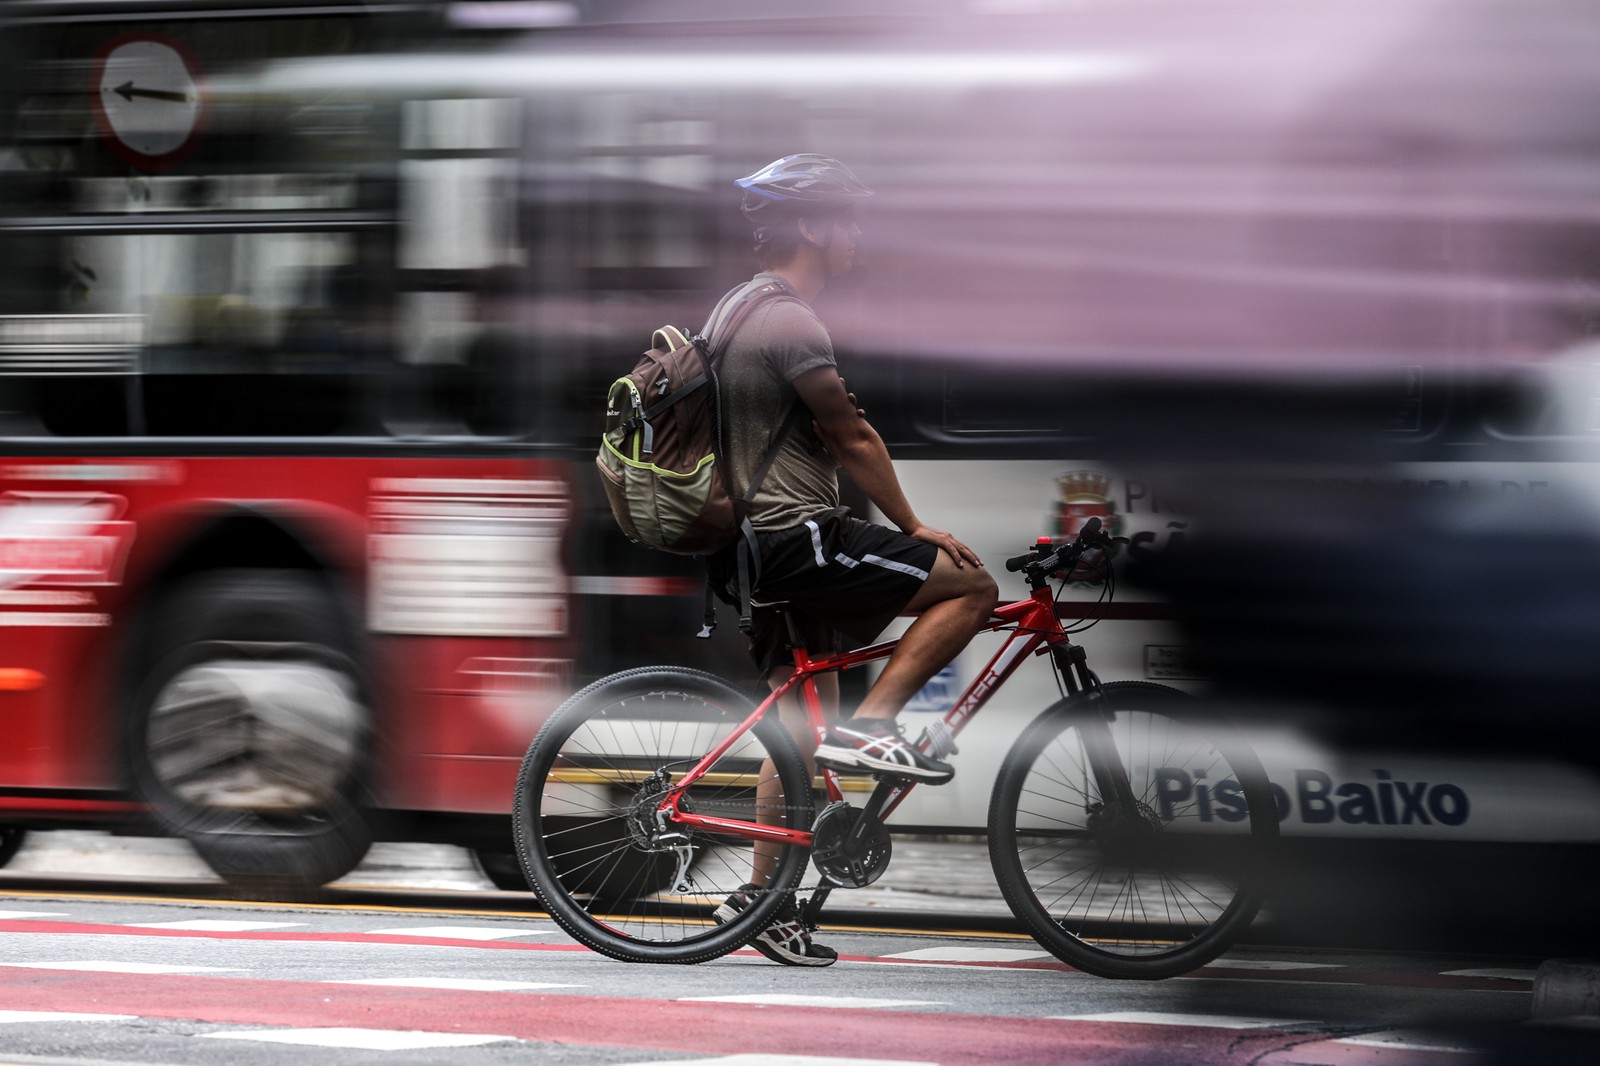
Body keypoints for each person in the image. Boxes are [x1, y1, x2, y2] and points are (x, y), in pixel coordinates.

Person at [706, 154, 998, 965]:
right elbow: (851, 434)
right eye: (849, 219)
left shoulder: (736, 307)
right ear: (810, 225)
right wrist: (916, 526)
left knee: (798, 734)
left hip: (751, 554)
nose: (859, 235)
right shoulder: (791, 318)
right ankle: (874, 728)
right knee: (971, 586)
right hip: (799, 537)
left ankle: (764, 905)